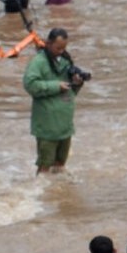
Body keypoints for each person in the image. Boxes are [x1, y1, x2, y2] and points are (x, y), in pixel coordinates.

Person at [20, 27, 78, 176]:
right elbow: (30, 85)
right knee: (45, 166)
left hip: (65, 125)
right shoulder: (38, 62)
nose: (61, 51)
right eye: (58, 47)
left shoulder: (65, 60)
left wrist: (77, 82)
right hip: (47, 126)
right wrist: (55, 86)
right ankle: (42, 195)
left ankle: (58, 195)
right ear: (48, 43)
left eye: (64, 48)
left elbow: (71, 91)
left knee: (60, 164)